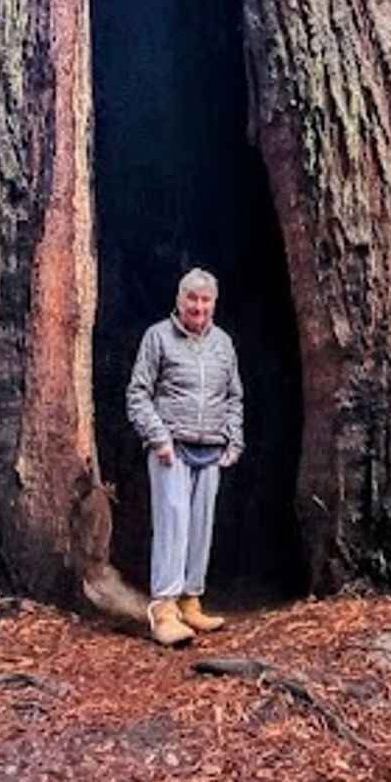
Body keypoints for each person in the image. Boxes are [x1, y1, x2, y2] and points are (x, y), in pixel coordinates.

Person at [126, 266, 244, 647]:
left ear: (214, 303)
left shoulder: (223, 343)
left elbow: (233, 397)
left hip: (210, 446)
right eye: (191, 298)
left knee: (200, 526)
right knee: (173, 522)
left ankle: (191, 601)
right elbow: (138, 393)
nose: (198, 306)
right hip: (171, 449)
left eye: (205, 299)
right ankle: (163, 610)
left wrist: (233, 440)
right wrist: (158, 438)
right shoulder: (158, 337)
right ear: (179, 300)